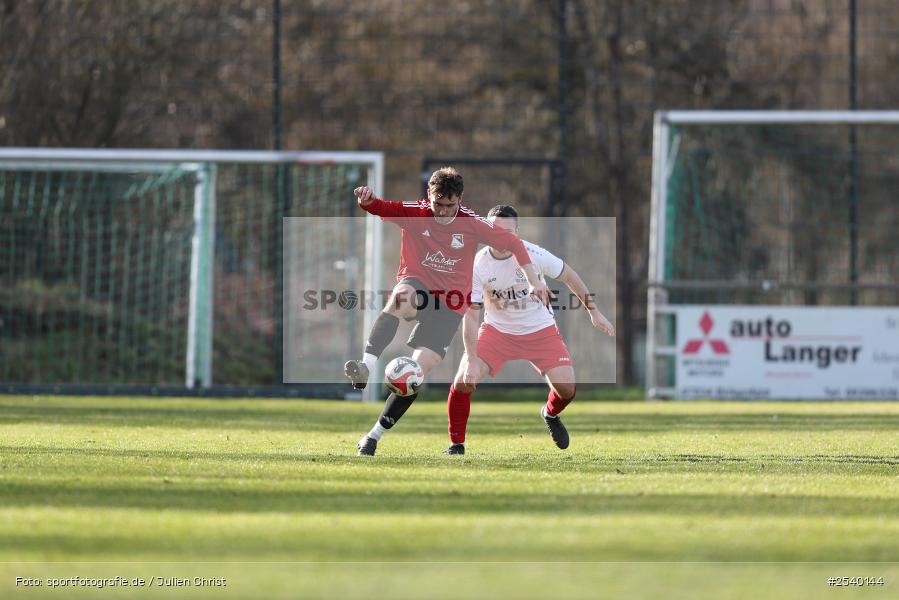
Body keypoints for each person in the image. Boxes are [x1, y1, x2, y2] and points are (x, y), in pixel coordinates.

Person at [346, 167, 551, 456]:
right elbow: (379, 207)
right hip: (419, 285)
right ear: (428, 196)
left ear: (460, 200)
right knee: (401, 295)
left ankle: (373, 437)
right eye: (437, 204)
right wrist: (365, 200)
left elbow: (514, 243)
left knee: (415, 373)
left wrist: (534, 281)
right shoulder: (415, 213)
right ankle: (366, 365)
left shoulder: (472, 223)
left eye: (449, 206)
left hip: (450, 305)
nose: (442, 212)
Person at [444, 204, 615, 455]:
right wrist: (470, 357)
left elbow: (569, 276)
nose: (502, 238)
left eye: (508, 232)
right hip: (497, 332)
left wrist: (594, 312)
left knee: (567, 389)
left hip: (540, 330)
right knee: (464, 381)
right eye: (495, 231)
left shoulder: (533, 253)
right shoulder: (477, 264)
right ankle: (456, 445)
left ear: (518, 231)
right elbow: (471, 315)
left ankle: (550, 413)